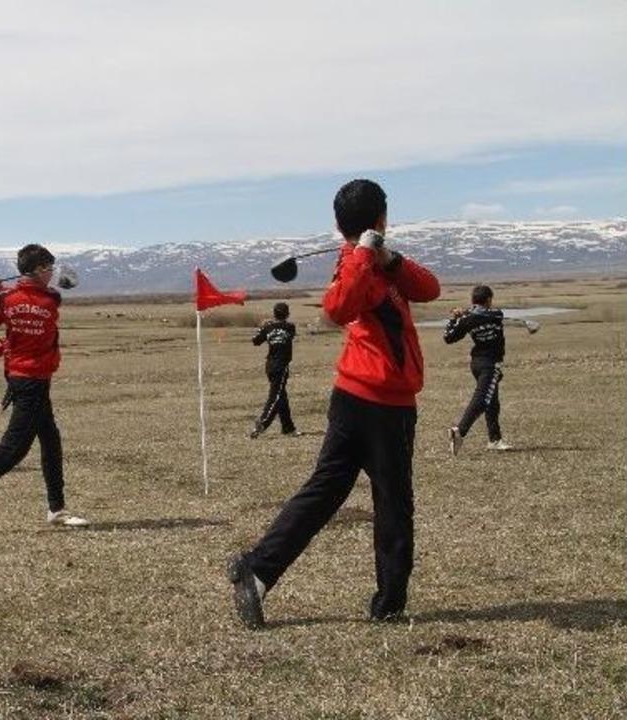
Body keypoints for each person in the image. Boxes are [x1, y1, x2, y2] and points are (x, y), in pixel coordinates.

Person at [228, 179, 441, 627]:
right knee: (393, 503)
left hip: (363, 399)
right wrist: (363, 254)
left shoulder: (379, 265)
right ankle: (389, 606)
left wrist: (389, 258)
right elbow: (339, 305)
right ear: (382, 217)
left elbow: (430, 289)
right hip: (379, 403)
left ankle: (258, 572)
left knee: (326, 492)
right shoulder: (354, 265)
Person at [0, 244, 89, 534]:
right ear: (36, 270)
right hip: (30, 379)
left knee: (51, 441)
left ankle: (57, 509)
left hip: (29, 378)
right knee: (15, 447)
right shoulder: (46, 298)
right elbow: (55, 293)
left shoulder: (12, 298)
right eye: (48, 268)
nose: (51, 273)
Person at [444, 284, 537, 454]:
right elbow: (490, 314)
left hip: (477, 364)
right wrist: (464, 315)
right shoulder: (493, 314)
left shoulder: (471, 319)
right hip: (490, 365)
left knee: (492, 401)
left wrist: (456, 318)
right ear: (488, 300)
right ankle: (459, 431)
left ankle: (495, 440)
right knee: (483, 399)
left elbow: (448, 336)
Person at [249, 302, 300, 438]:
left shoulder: (268, 327)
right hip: (281, 366)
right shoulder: (290, 327)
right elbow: (290, 334)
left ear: (274, 313)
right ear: (287, 314)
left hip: (270, 365)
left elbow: (255, 341)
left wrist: (263, 327)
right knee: (276, 397)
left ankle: (288, 428)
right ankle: (262, 423)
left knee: (281, 395)